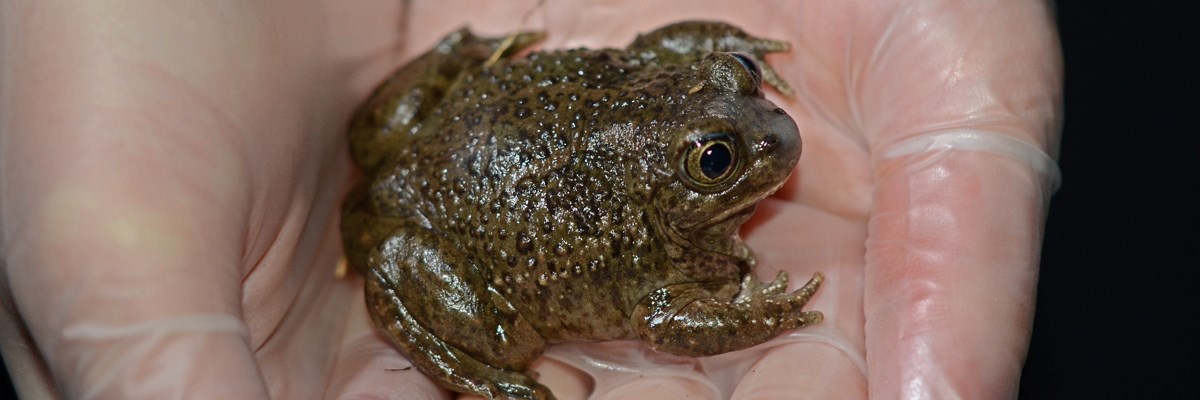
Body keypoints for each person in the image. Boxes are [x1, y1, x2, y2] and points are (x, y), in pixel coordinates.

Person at [0, 0, 1062, 398]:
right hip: (440, 233)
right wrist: (761, 311)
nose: (769, 145)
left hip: (448, 121)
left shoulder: (679, 91)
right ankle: (479, 363)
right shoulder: (650, 237)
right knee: (496, 330)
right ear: (676, 188)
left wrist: (723, 58)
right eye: (718, 161)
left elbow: (667, 46)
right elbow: (664, 314)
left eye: (734, 119)